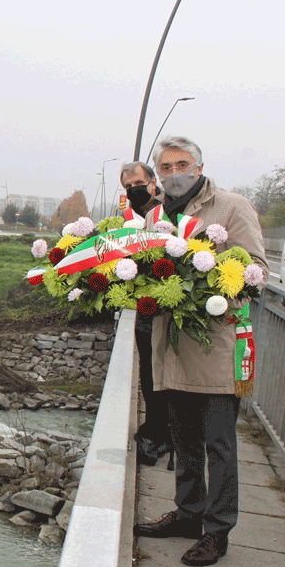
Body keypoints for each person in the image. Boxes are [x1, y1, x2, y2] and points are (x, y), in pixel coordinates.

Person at [132, 136, 268, 566]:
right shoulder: (154, 216)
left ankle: (217, 529)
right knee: (183, 440)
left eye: (183, 164)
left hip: (213, 349)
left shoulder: (230, 207)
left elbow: (258, 270)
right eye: (167, 167)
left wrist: (208, 284)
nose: (175, 173)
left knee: (219, 446)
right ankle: (188, 513)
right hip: (169, 348)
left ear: (200, 164)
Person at [118, 161, 173, 470]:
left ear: (153, 182)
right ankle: (155, 430)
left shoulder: (166, 213)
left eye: (138, 182)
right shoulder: (129, 218)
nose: (134, 189)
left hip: (164, 309)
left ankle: (164, 434)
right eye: (128, 186)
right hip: (142, 310)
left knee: (163, 375)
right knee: (148, 376)